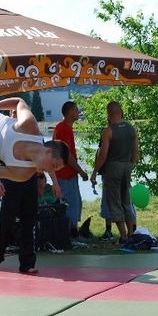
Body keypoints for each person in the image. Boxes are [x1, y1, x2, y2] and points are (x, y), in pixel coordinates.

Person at [91, 101, 139, 243]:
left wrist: (95, 172)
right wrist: (130, 165)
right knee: (126, 201)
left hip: (112, 168)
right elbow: (136, 151)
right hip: (126, 167)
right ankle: (131, 233)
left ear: (108, 114)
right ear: (121, 112)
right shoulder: (131, 129)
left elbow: (102, 155)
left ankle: (123, 236)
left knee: (114, 202)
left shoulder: (108, 131)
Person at [53, 101, 89, 238]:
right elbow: (67, 156)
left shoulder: (63, 128)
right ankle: (71, 234)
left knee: (74, 202)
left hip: (66, 174)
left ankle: (71, 231)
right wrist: (81, 171)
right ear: (70, 112)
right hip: (65, 175)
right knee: (71, 204)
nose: (78, 112)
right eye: (76, 109)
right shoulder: (64, 129)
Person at [0, 173, 39, 274]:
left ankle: (27, 264)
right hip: (10, 181)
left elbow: (47, 164)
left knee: (29, 225)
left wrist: (55, 182)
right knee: (6, 221)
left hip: (30, 182)